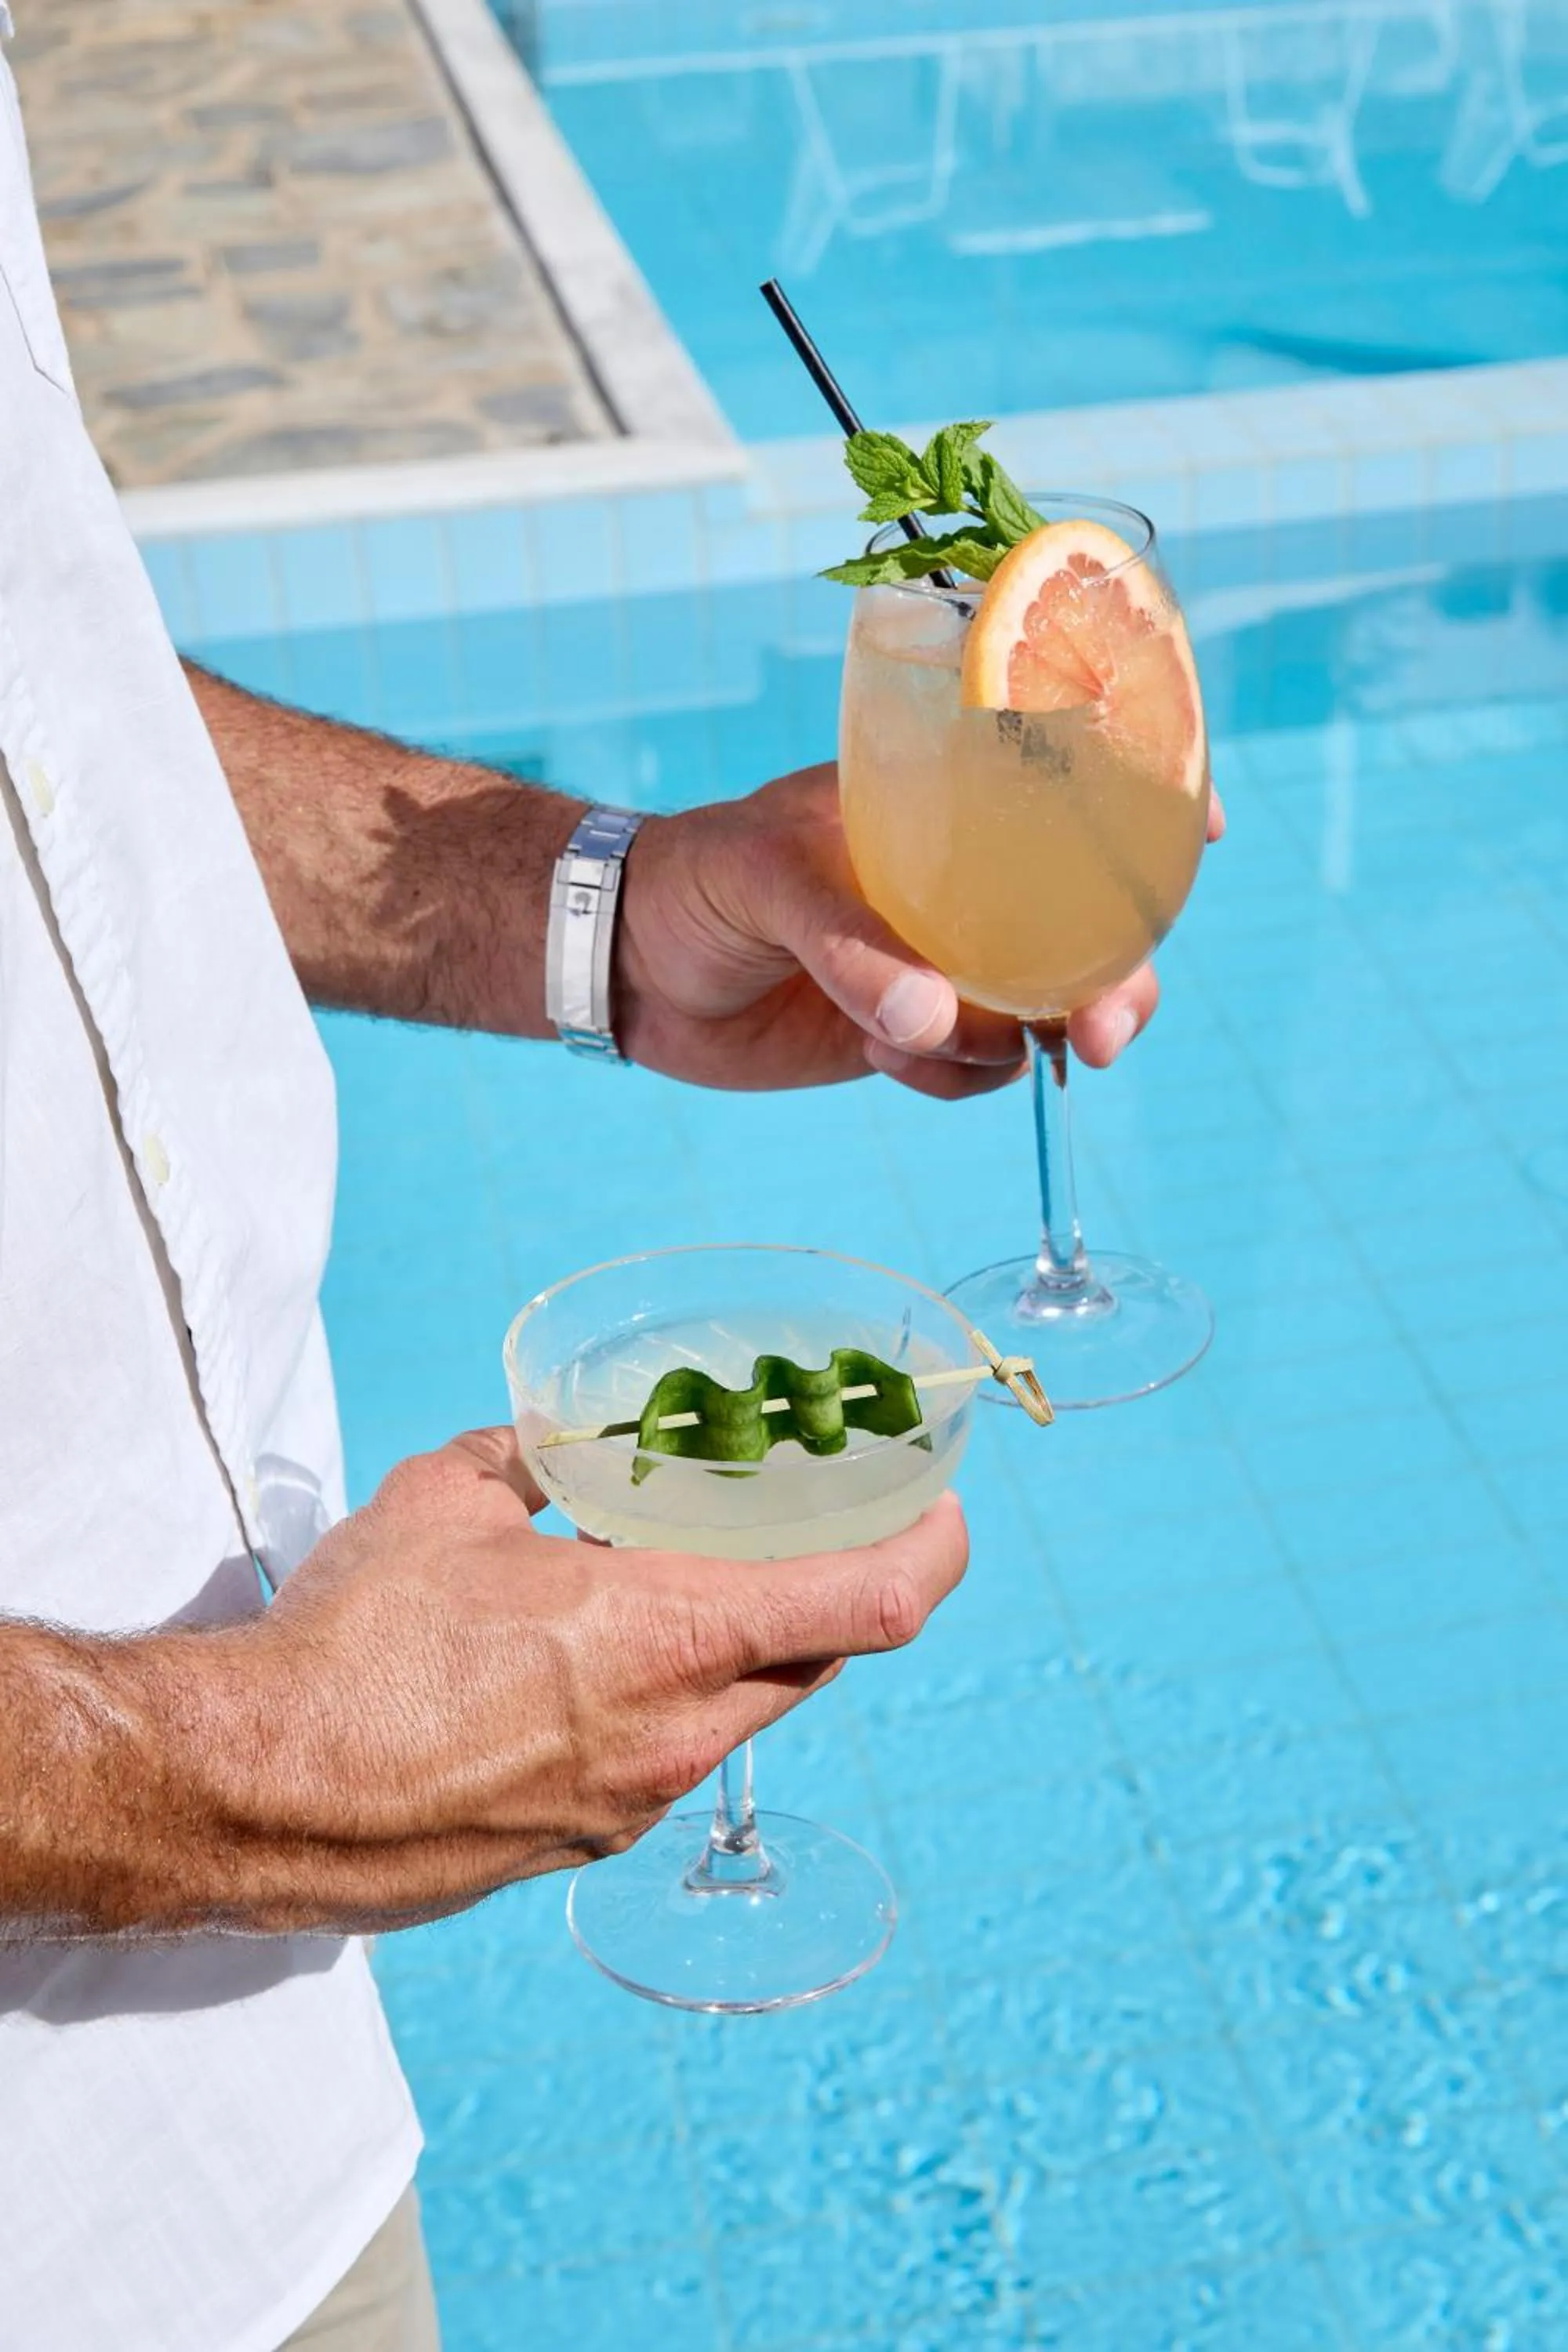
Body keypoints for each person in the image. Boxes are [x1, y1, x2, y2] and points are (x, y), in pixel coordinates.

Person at [0, 29, 1217, 2352]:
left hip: (251, 2128)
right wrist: (234, 1770)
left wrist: (595, 914)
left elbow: (35, 703)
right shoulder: (244, 1792)